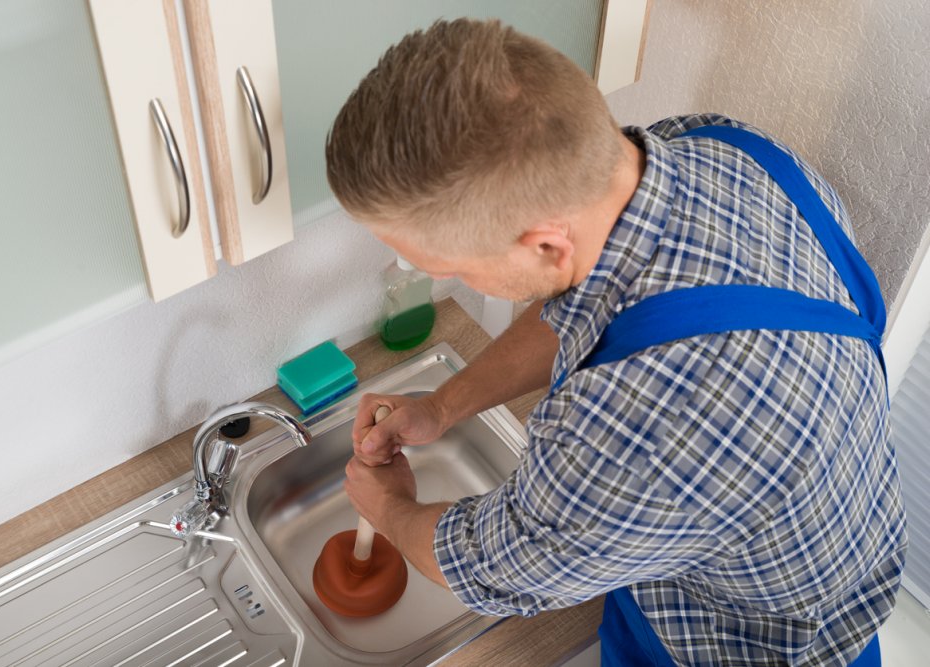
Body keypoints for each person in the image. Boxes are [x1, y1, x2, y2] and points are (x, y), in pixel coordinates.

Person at [325, 18, 907, 667]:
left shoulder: (639, 421)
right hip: (799, 547)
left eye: (448, 266)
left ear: (546, 242)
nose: (441, 279)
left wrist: (392, 506)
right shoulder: (717, 147)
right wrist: (441, 406)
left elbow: (492, 563)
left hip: (738, 645)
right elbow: (593, 302)